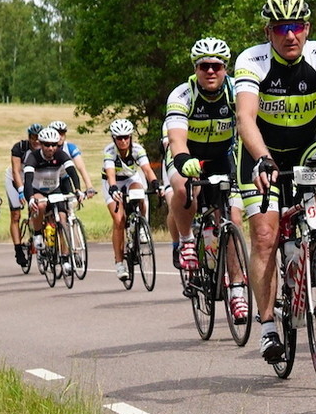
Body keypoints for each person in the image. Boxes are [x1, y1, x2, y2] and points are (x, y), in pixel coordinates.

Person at [232, 0, 316, 364]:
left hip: (304, 143)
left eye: (296, 26)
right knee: (264, 238)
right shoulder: (252, 60)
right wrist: (264, 159)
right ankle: (268, 326)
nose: (290, 35)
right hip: (261, 151)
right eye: (281, 27)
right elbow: (245, 118)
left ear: (307, 28)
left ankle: (314, 247)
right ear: (268, 32)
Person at [164, 38, 239, 303]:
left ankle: (238, 289)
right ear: (195, 69)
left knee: (232, 218)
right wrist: (184, 160)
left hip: (221, 157)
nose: (210, 71)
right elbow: (176, 139)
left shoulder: (235, 92)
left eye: (216, 66)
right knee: (183, 189)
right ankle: (186, 240)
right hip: (187, 155)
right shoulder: (182, 95)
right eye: (203, 66)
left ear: (225, 68)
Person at [22, 127, 86, 263]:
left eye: (54, 145)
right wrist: (30, 198)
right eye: (47, 145)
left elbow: (72, 172)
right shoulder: (33, 157)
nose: (50, 148)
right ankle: (38, 234)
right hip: (37, 190)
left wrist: (78, 189)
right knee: (41, 205)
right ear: (41, 144)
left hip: (54, 189)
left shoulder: (61, 155)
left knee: (63, 219)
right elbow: (27, 180)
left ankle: (65, 257)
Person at [102, 117, 155, 281]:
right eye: (119, 138)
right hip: (112, 182)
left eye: (126, 137)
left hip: (131, 179)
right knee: (119, 220)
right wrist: (113, 188)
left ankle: (141, 226)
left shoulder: (138, 149)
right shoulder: (110, 151)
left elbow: (147, 169)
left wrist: (155, 183)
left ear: (130, 137)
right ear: (114, 139)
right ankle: (119, 264)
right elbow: (110, 174)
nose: (123, 141)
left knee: (140, 193)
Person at [7, 123, 41, 266]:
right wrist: (21, 191)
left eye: (38, 138)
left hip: (32, 179)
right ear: (29, 137)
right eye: (33, 138)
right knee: (16, 215)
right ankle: (18, 249)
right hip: (15, 179)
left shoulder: (46, 148)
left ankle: (35, 235)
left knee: (36, 208)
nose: (36, 141)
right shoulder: (20, 148)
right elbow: (16, 171)